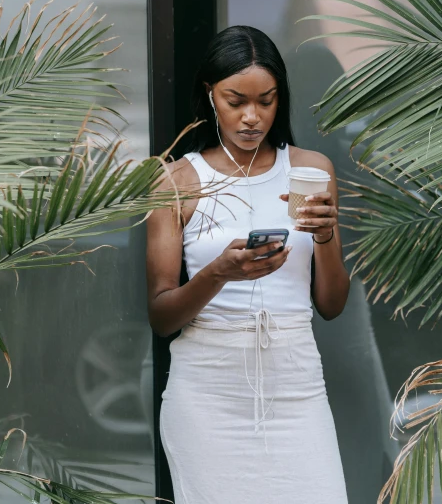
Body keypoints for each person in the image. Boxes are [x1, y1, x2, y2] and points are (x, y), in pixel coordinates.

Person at [146, 25, 350, 504]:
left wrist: (323, 238)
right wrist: (219, 272)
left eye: (267, 100)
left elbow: (332, 306)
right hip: (208, 390)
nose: (252, 117)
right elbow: (161, 316)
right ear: (210, 95)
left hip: (296, 381)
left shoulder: (310, 170)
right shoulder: (177, 182)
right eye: (236, 101)